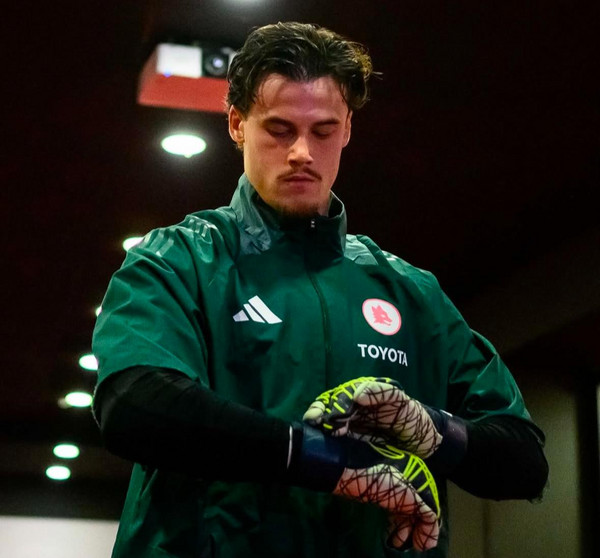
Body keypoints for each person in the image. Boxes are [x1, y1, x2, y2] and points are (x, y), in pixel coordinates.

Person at [92, 22, 548, 558]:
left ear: (348, 128)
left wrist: (429, 430)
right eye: (280, 129)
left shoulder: (411, 292)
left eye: (324, 130)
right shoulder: (178, 260)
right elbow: (133, 406)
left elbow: (525, 462)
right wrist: (317, 458)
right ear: (237, 123)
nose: (302, 152)